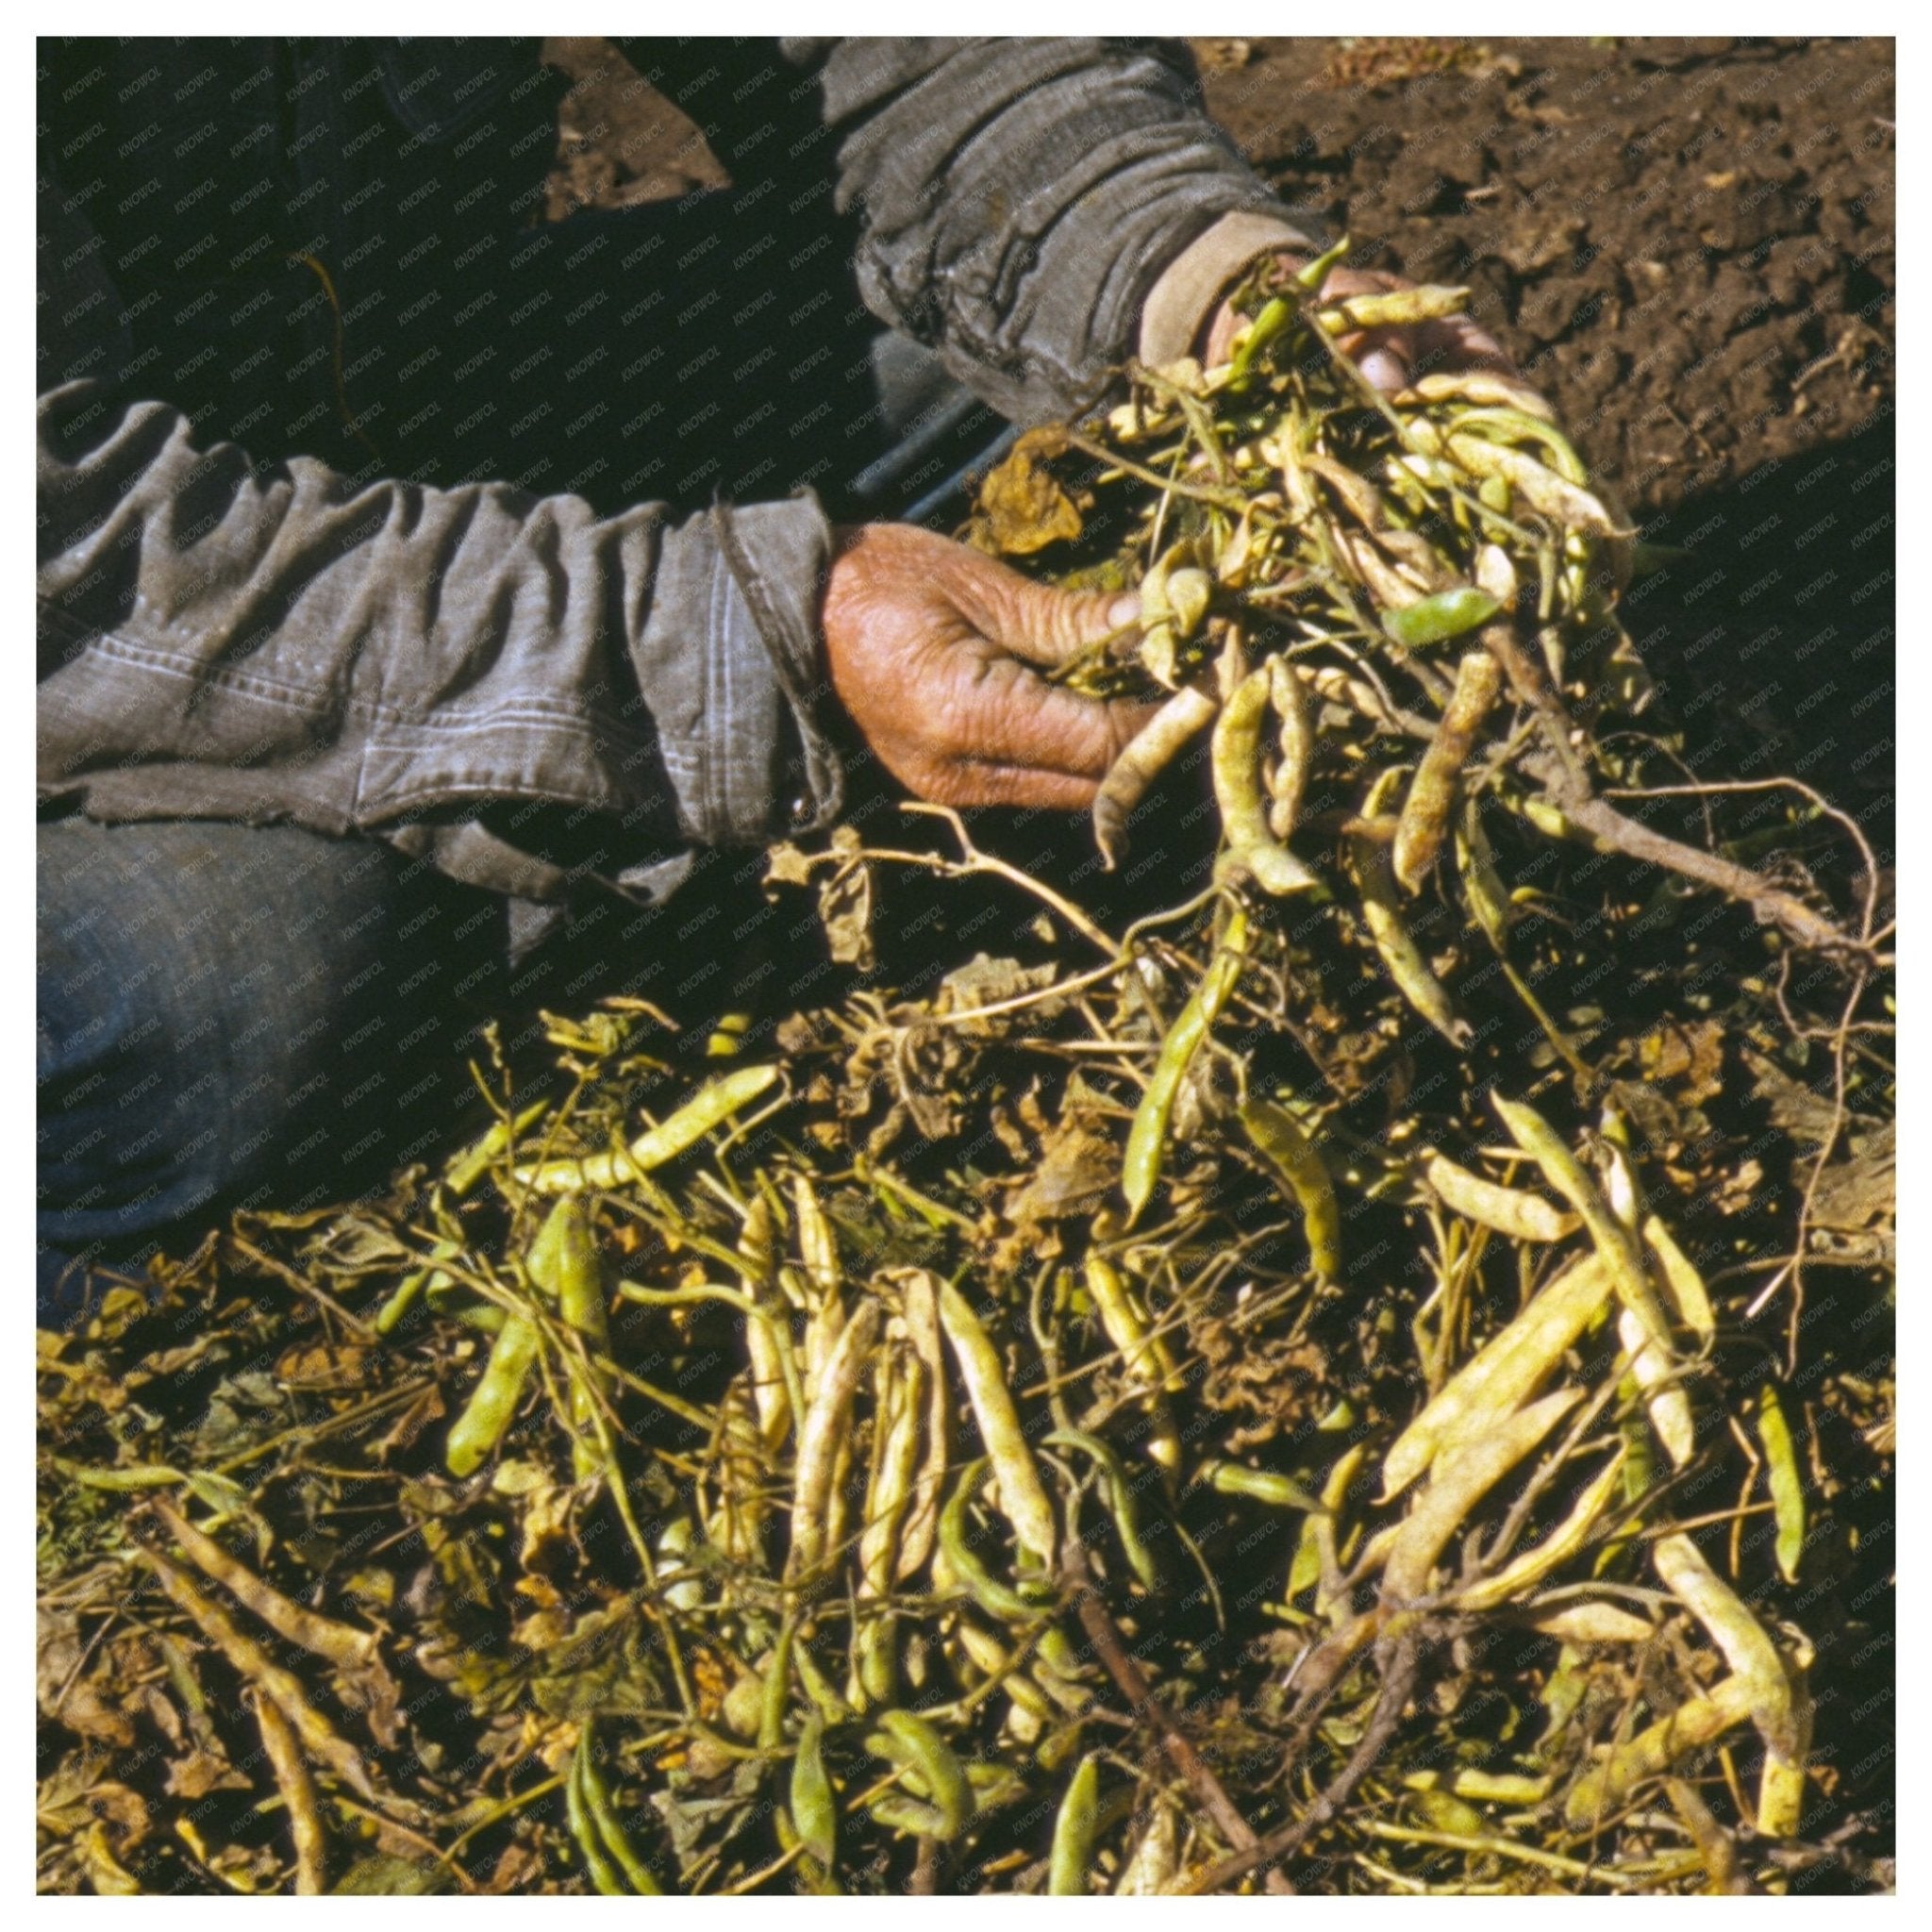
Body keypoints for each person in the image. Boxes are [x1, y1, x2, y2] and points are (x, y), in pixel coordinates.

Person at [37, 38, 1512, 1324]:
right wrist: (760, 632)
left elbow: (900, 54)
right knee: (243, 983)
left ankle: (548, 839)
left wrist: (1190, 278)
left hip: (369, 429)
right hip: (83, 619)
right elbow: (76, 568)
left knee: (1084, 401)